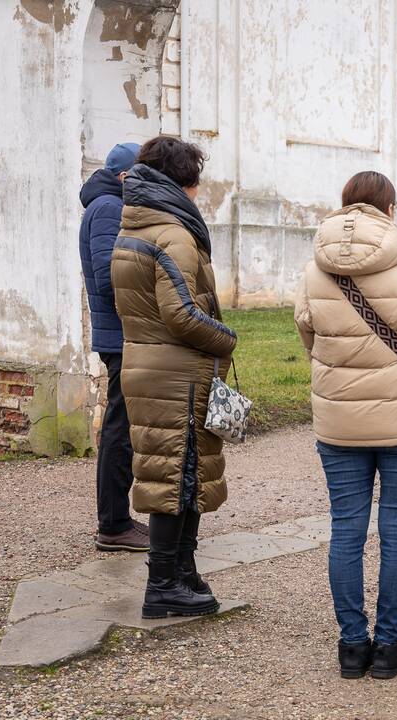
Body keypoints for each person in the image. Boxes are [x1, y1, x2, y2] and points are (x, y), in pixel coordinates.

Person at [295, 171, 397, 680]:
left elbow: (308, 337)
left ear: (344, 207)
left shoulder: (313, 274)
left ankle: (350, 646)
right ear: (389, 211)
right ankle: (387, 647)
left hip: (339, 421)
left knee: (345, 531)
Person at [111, 136, 236, 620]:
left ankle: (182, 572)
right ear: (184, 181)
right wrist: (226, 339)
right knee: (175, 477)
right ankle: (163, 584)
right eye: (197, 181)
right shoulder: (174, 234)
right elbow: (181, 314)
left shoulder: (137, 226)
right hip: (176, 374)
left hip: (151, 366)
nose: (199, 191)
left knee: (183, 475)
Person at [79, 142, 149, 553]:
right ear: (126, 177)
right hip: (119, 335)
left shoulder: (108, 203)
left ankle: (118, 520)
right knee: (119, 430)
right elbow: (109, 278)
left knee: (122, 427)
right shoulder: (107, 207)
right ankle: (114, 524)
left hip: (121, 333)